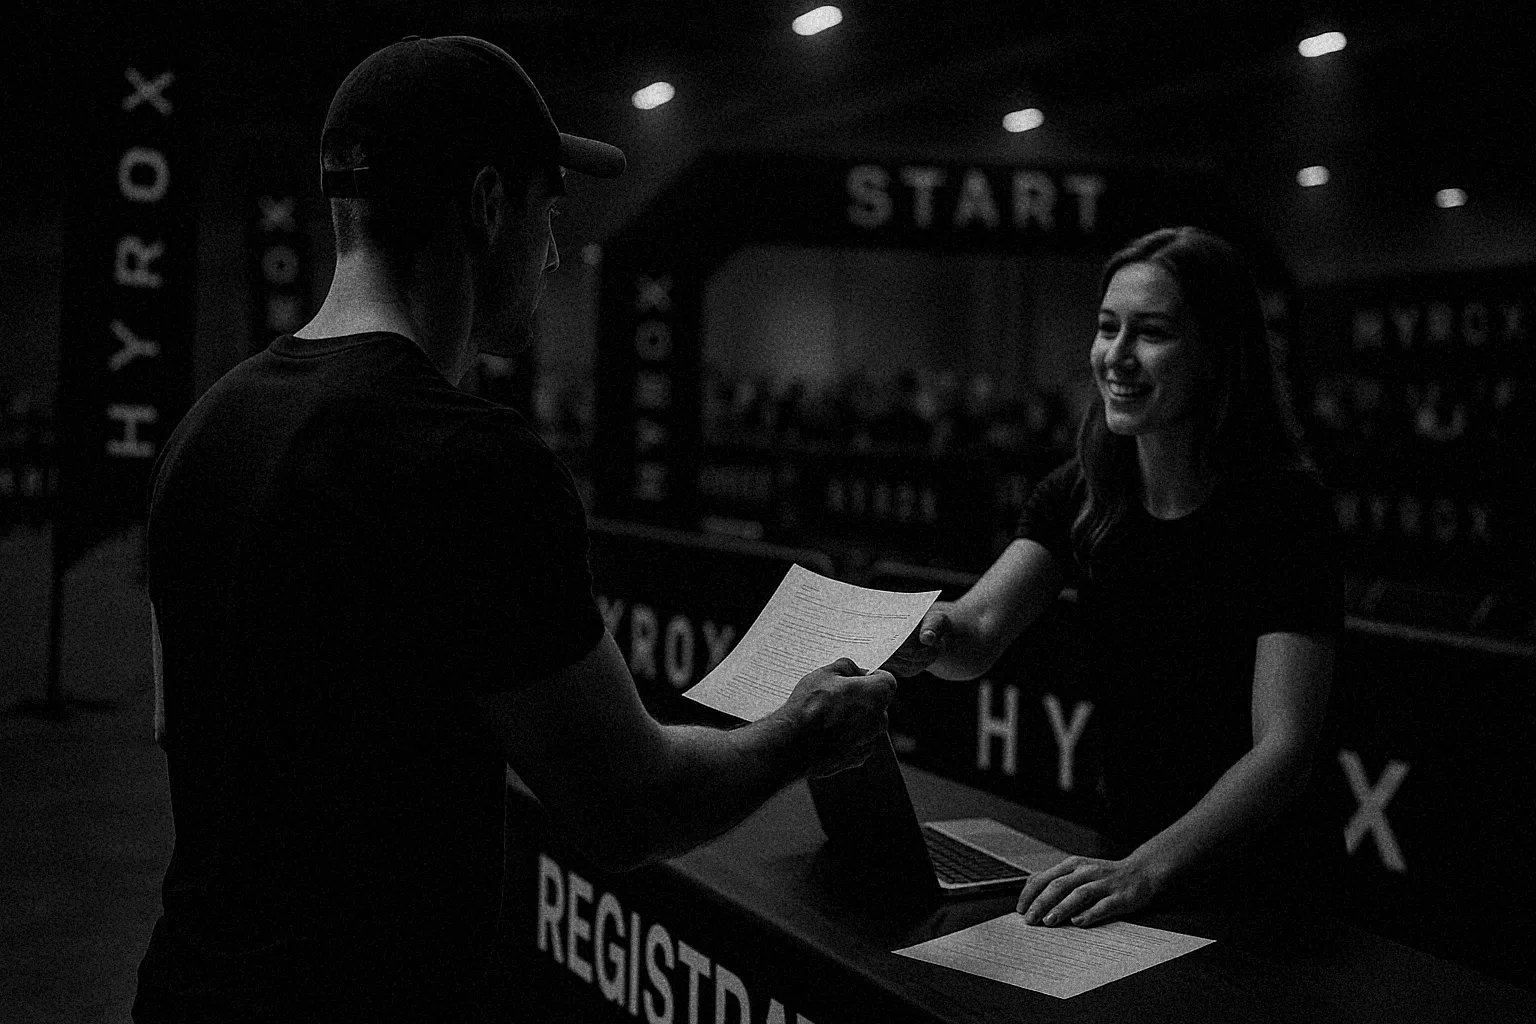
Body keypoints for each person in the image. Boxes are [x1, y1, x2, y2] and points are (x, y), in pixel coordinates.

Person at [133, 35, 896, 1023]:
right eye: (549, 211)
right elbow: (629, 803)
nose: (550, 250)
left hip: (191, 989)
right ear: (488, 203)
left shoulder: (206, 429)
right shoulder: (472, 465)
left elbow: (174, 718)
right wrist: (800, 732)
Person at [885, 226, 1340, 928]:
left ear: (1219, 353)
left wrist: (1145, 870)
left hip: (1259, 884)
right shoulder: (1084, 490)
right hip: (1123, 862)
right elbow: (974, 633)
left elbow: (1283, 749)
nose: (1117, 357)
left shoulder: (1284, 510)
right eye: (1106, 328)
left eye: (1151, 332)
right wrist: (931, 634)